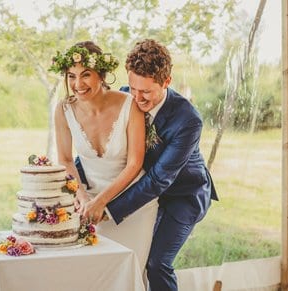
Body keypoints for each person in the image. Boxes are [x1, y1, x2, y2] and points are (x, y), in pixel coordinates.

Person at [86, 39, 218, 291]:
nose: (136, 98)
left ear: (166, 81)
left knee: (157, 263)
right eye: (133, 89)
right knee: (130, 255)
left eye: (145, 92)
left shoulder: (188, 120)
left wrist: (109, 209)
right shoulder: (126, 96)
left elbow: (159, 180)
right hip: (142, 193)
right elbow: (105, 139)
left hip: (183, 196)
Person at [52, 41, 157, 285]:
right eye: (71, 76)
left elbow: (135, 163)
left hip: (133, 206)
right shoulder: (63, 110)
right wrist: (83, 197)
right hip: (90, 205)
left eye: (85, 75)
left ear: (101, 74)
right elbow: (66, 160)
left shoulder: (129, 105)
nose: (78, 84)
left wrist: (102, 201)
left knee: (124, 279)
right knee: (89, 278)